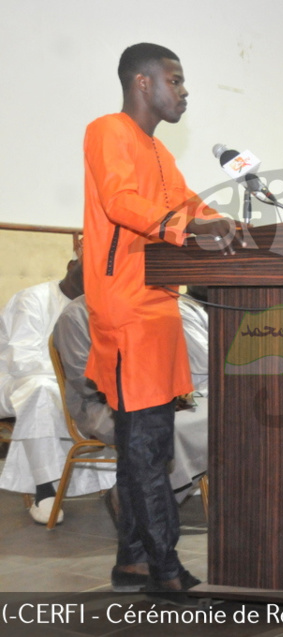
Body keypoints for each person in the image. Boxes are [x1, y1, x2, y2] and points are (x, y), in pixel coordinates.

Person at [84, 43, 243, 593]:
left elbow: (188, 202)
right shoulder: (108, 130)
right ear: (143, 82)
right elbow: (120, 201)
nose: (184, 91)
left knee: (144, 441)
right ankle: (164, 568)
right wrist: (188, 227)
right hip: (126, 307)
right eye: (175, 80)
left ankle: (132, 561)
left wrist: (227, 222)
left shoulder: (158, 150)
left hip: (158, 305)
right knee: (146, 446)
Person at [52, 293, 210, 504]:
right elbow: (85, 383)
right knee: (165, 429)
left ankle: (138, 499)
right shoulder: (76, 314)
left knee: (219, 416)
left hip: (159, 397)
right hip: (102, 405)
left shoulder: (152, 303)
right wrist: (148, 395)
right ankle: (135, 501)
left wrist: (169, 392)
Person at [0, 258, 108, 525]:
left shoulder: (98, 306)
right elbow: (22, 362)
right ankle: (45, 489)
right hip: (13, 383)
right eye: (87, 270)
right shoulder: (32, 299)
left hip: (69, 384)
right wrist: (75, 375)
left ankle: (116, 482)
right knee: (40, 391)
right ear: (71, 266)